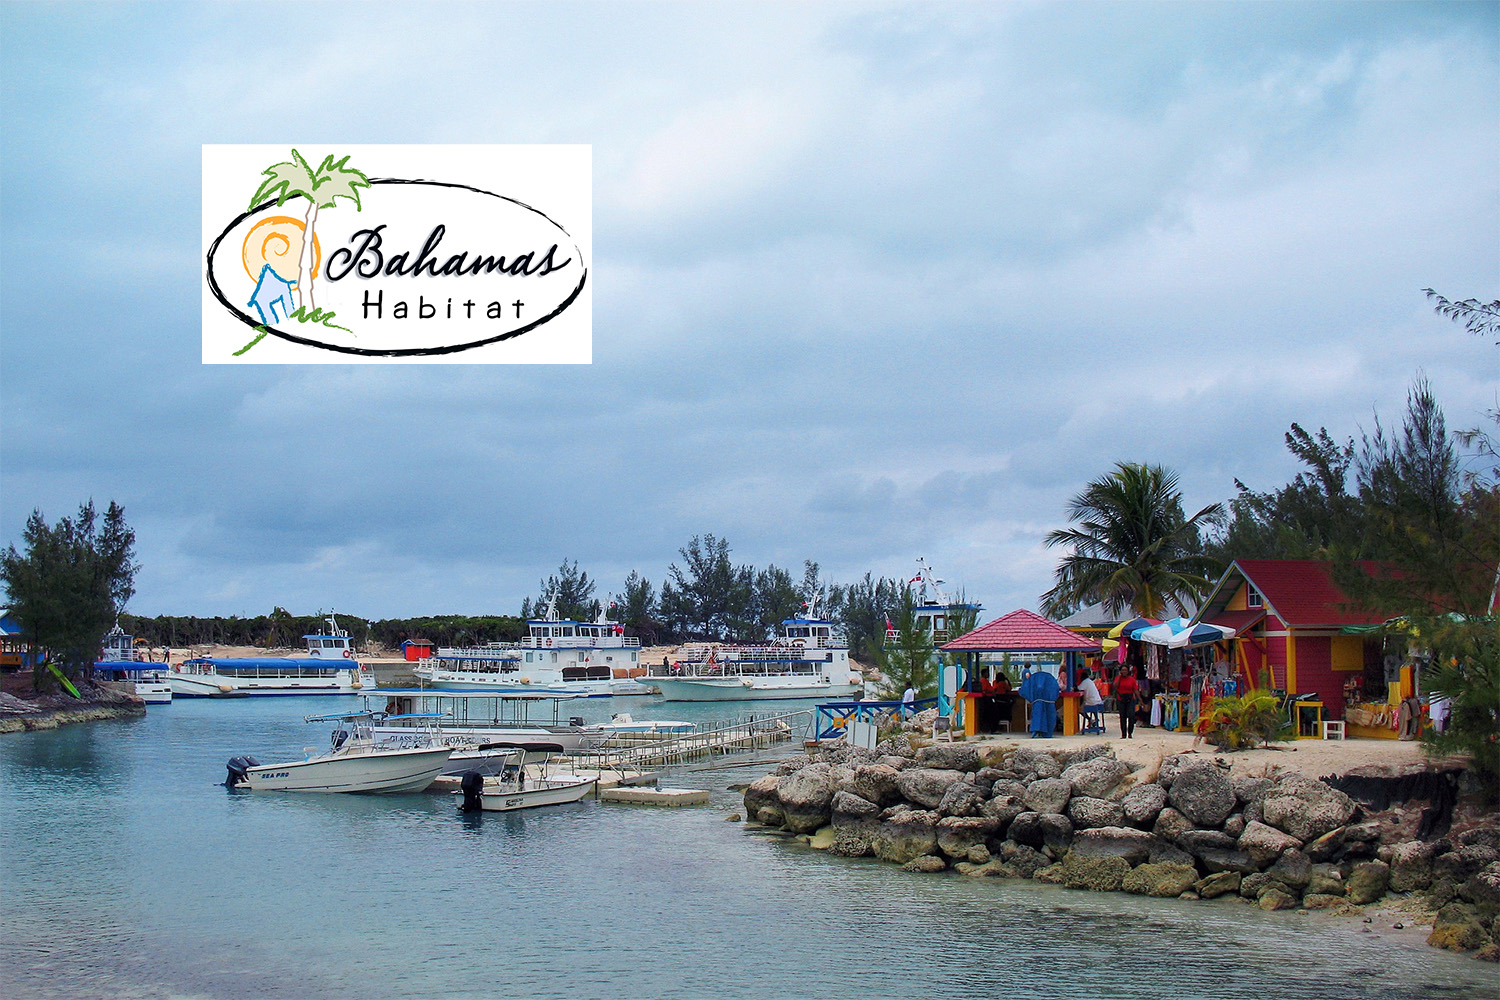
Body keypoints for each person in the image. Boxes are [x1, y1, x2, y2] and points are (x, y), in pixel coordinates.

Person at [1115, 667, 1139, 739]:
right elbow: (1115, 686)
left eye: (1125, 670)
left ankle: (1130, 732)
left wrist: (1140, 699)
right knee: (1123, 717)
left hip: (1130, 699)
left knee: (1131, 716)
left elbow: (1135, 690)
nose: (1124, 671)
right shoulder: (1117, 678)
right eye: (1122, 670)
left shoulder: (1132, 679)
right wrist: (1120, 677)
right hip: (1121, 699)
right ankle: (1123, 734)